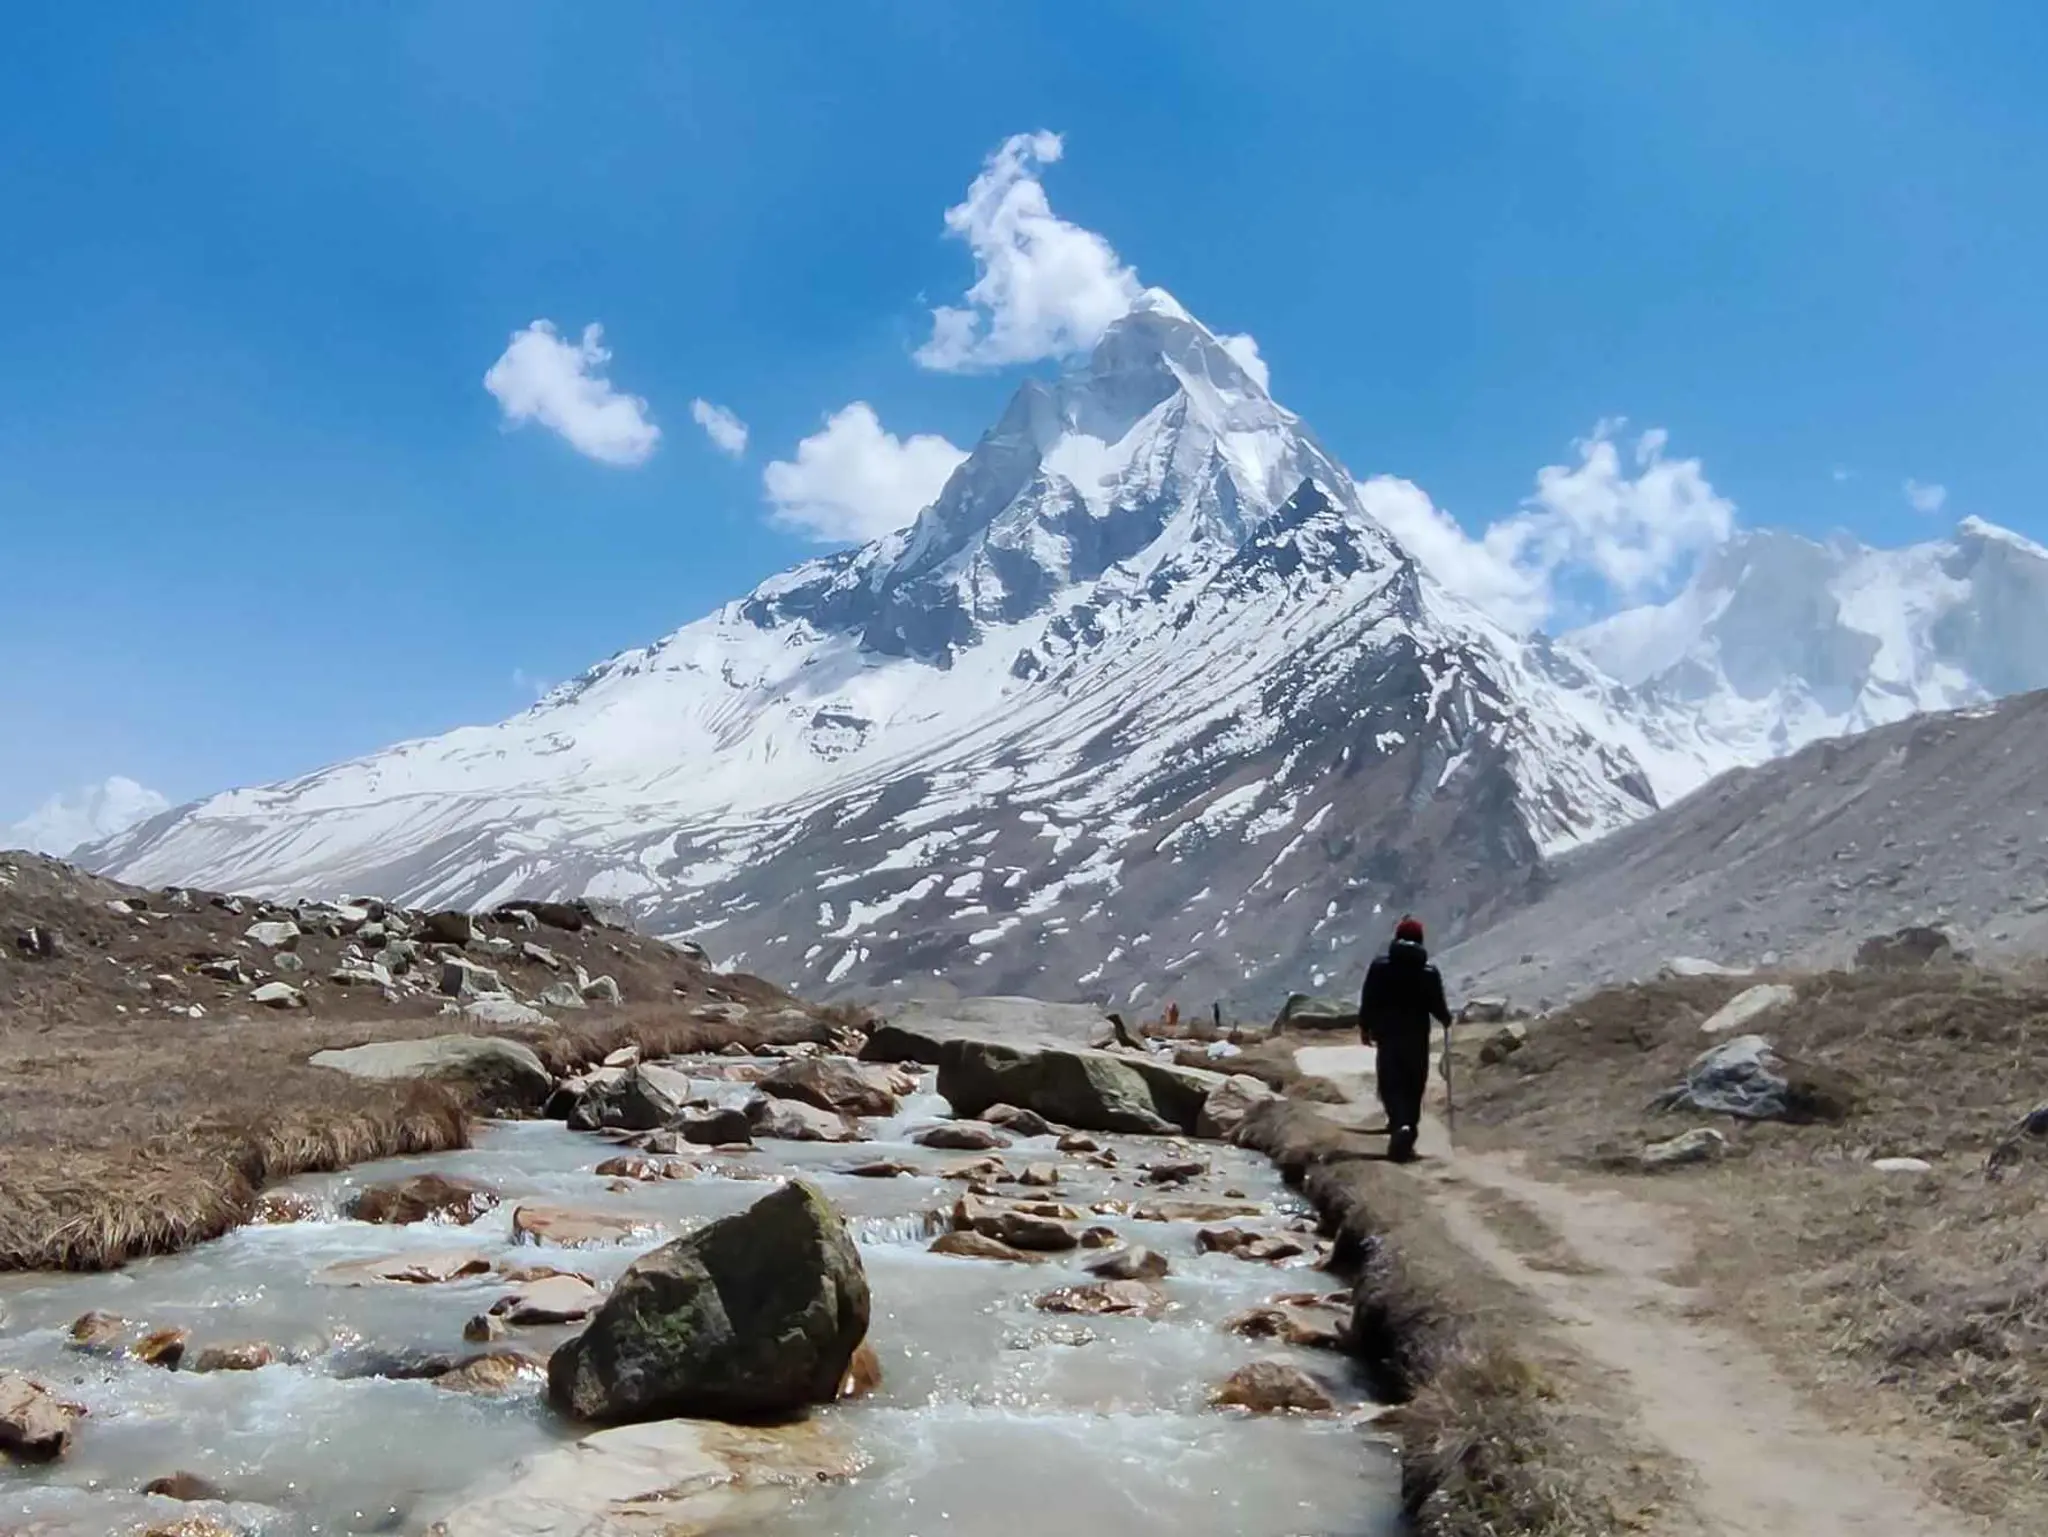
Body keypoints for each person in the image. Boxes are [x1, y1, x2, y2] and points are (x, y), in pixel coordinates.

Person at [1359, 915, 1451, 1163]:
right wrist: (1446, 1018)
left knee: (1391, 1083)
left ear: (1397, 937)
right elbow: (1437, 1006)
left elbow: (1369, 999)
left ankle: (1400, 1126)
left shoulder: (1380, 967)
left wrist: (1365, 1027)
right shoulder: (1428, 972)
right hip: (1417, 1037)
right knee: (1413, 1084)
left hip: (1387, 1035)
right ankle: (1408, 1127)